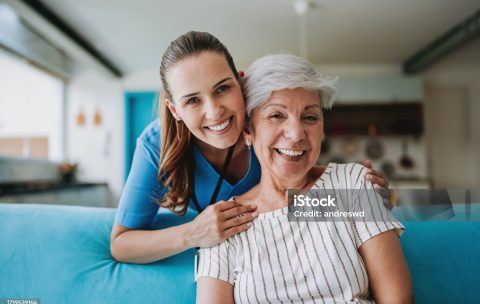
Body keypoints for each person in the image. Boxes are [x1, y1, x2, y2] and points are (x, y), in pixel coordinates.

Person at [110, 31, 391, 263]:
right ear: (175, 110)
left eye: (222, 89)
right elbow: (121, 243)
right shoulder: (156, 144)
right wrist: (194, 233)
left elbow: (297, 204)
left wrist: (362, 195)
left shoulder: (266, 130)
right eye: (193, 100)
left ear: (240, 82)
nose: (215, 112)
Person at [196, 54, 412, 303]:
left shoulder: (352, 184)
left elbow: (398, 299)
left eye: (310, 117)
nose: (296, 134)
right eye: (276, 115)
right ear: (248, 129)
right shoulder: (225, 223)